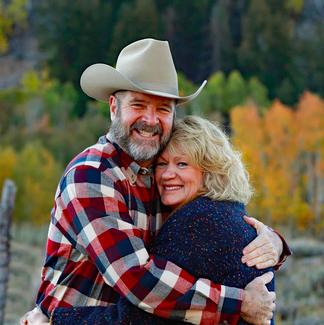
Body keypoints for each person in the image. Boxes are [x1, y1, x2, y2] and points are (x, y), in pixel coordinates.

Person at [21, 38, 290, 325]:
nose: (151, 120)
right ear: (113, 107)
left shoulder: (164, 177)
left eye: (163, 109)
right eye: (138, 104)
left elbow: (218, 224)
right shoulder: (92, 175)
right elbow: (137, 279)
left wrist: (273, 242)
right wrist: (240, 302)